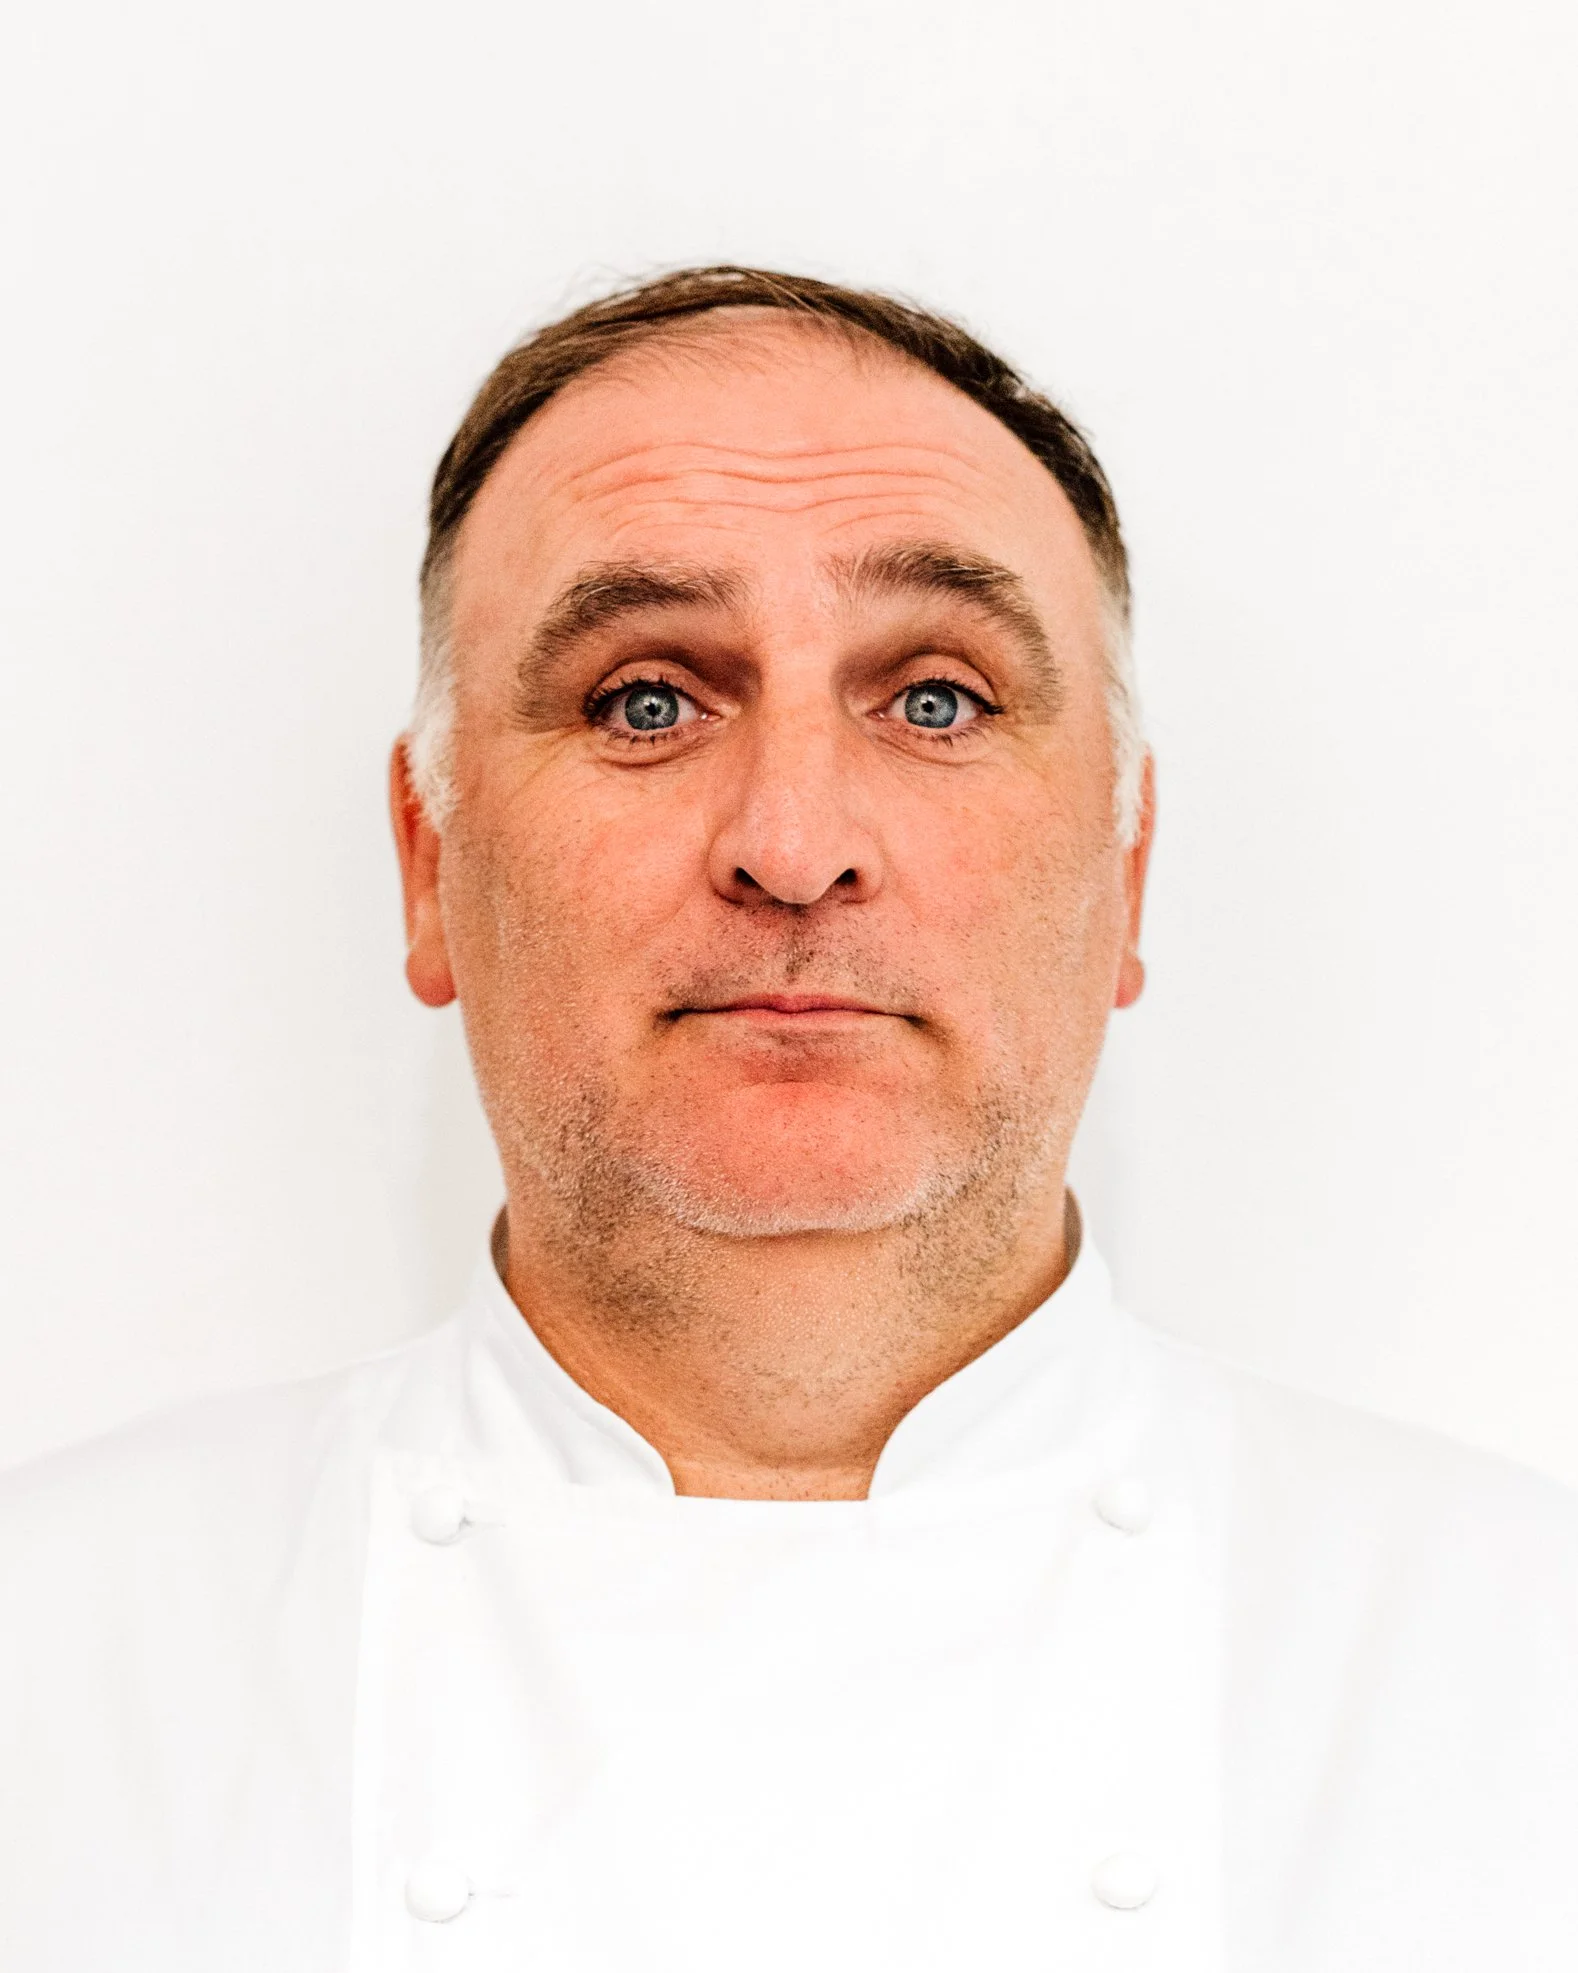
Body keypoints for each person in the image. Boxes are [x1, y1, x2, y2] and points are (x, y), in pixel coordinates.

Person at [2, 266, 1574, 1972]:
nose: (792, 841)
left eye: (936, 699)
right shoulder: (55, 1661)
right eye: (646, 699)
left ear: (1123, 873)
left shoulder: (1517, 1669)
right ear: (430, 865)